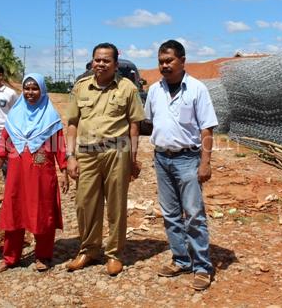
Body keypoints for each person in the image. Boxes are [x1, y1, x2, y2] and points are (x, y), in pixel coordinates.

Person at [65, 42, 145, 276]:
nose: (101, 64)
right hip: (87, 154)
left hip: (116, 153)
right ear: (92, 62)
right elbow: (72, 124)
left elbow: (134, 126)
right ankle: (88, 250)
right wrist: (70, 156)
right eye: (97, 60)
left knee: (116, 206)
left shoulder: (127, 88)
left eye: (106, 60)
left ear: (115, 64)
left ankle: (114, 254)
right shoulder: (80, 88)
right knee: (85, 205)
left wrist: (132, 158)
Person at [144, 40, 218, 291]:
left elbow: (206, 129)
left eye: (169, 61)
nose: (164, 65)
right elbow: (150, 123)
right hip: (162, 158)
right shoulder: (154, 90)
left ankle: (202, 267)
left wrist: (205, 163)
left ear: (182, 60)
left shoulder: (197, 89)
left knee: (194, 214)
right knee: (170, 214)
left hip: (188, 159)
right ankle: (180, 259)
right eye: (161, 61)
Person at [0, 73, 69, 273]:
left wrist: (65, 172)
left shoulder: (51, 117)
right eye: (27, 88)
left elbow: (60, 147)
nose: (30, 92)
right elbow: (3, 146)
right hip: (16, 175)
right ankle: (10, 257)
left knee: (42, 212)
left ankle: (43, 255)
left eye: (35, 88)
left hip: (42, 174)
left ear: (42, 91)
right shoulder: (14, 117)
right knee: (14, 211)